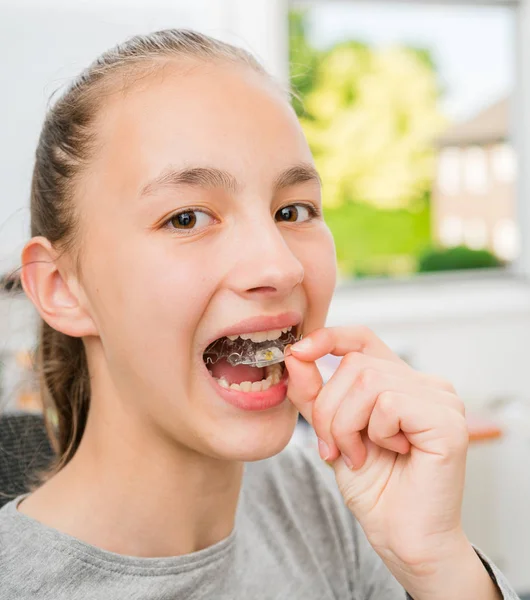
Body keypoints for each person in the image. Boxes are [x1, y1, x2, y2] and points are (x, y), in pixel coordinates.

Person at [0, 29, 519, 600]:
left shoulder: (327, 504)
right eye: (187, 218)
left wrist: (438, 565)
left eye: (293, 209)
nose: (280, 265)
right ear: (61, 289)